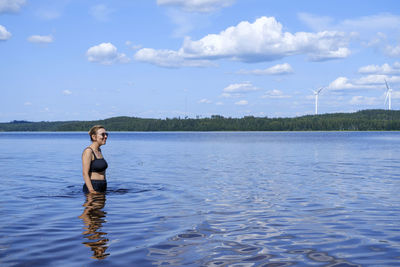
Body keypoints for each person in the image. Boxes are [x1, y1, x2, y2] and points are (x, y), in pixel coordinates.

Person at [82, 125, 109, 194]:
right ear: (94, 137)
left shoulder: (99, 150)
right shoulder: (88, 151)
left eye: (106, 134)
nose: (105, 136)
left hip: (102, 186)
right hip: (93, 186)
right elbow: (85, 173)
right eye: (103, 134)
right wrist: (91, 191)